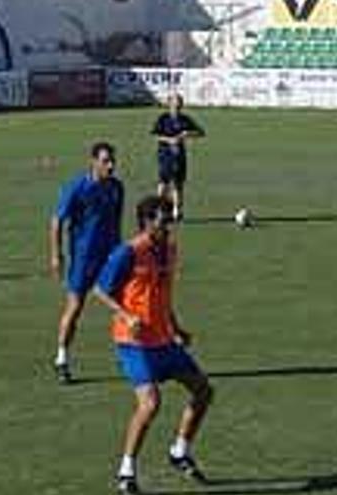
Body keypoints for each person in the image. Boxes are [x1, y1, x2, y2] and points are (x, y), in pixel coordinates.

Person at [94, 195, 214, 494]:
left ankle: (179, 451)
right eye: (164, 219)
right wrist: (126, 315)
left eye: (170, 218)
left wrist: (176, 327)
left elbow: (162, 294)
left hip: (163, 339)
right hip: (133, 342)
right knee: (150, 404)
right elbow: (100, 289)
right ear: (148, 221)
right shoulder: (129, 252)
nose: (170, 224)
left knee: (203, 390)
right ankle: (126, 470)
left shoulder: (170, 249)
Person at [48, 141, 124, 384]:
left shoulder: (117, 188)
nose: (111, 166)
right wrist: (56, 254)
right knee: (75, 308)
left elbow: (116, 222)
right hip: (83, 259)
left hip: (110, 256)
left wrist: (121, 254)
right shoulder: (77, 187)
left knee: (125, 302)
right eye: (105, 161)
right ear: (93, 162)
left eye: (113, 161)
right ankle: (61, 358)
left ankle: (134, 354)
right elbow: (57, 221)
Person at [151, 93, 205, 221]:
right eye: (175, 105)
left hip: (180, 156)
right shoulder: (163, 119)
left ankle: (177, 211)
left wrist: (188, 134)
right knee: (163, 183)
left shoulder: (185, 119)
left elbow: (201, 132)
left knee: (178, 183)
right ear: (169, 105)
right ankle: (160, 210)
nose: (177, 107)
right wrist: (169, 140)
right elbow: (155, 135)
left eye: (179, 105)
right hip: (165, 155)